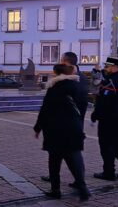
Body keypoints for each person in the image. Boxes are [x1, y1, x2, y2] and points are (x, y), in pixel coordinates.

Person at [34, 64, 91, 201]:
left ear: (56, 73)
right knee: (74, 157)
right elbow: (83, 106)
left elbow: (45, 109)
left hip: (56, 128)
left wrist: (38, 128)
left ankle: (56, 189)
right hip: (74, 127)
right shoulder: (78, 87)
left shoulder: (54, 88)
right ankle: (82, 188)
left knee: (54, 159)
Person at [91, 57, 118, 181]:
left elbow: (105, 102)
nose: (106, 68)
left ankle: (109, 172)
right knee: (116, 142)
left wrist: (95, 115)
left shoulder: (112, 82)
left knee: (106, 144)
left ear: (116, 67)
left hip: (111, 116)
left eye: (109, 66)